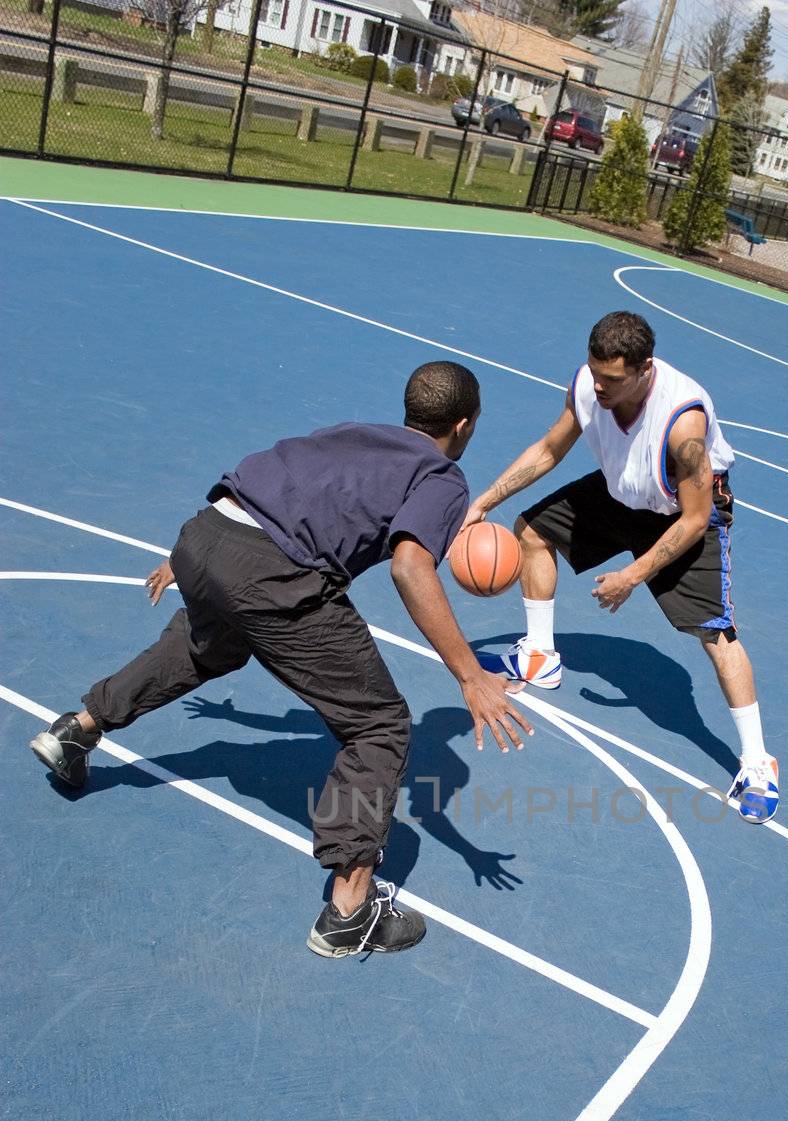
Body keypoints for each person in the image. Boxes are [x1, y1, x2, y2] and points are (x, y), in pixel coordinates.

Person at [30, 361, 533, 956]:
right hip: (272, 573)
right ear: (465, 424)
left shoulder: (353, 432)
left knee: (203, 646)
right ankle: (350, 911)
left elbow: (263, 489)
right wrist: (471, 676)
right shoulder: (442, 475)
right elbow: (409, 565)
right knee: (378, 725)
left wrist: (198, 562)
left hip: (209, 532)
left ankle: (77, 730)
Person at [468, 311, 779, 823]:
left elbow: (697, 519)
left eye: (612, 380)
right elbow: (549, 449)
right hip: (622, 494)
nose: (599, 386)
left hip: (681, 513)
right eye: (595, 374)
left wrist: (632, 577)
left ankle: (757, 761)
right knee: (531, 532)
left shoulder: (684, 425)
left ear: (644, 370)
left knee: (716, 634)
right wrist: (485, 501)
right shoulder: (590, 387)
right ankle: (541, 656)